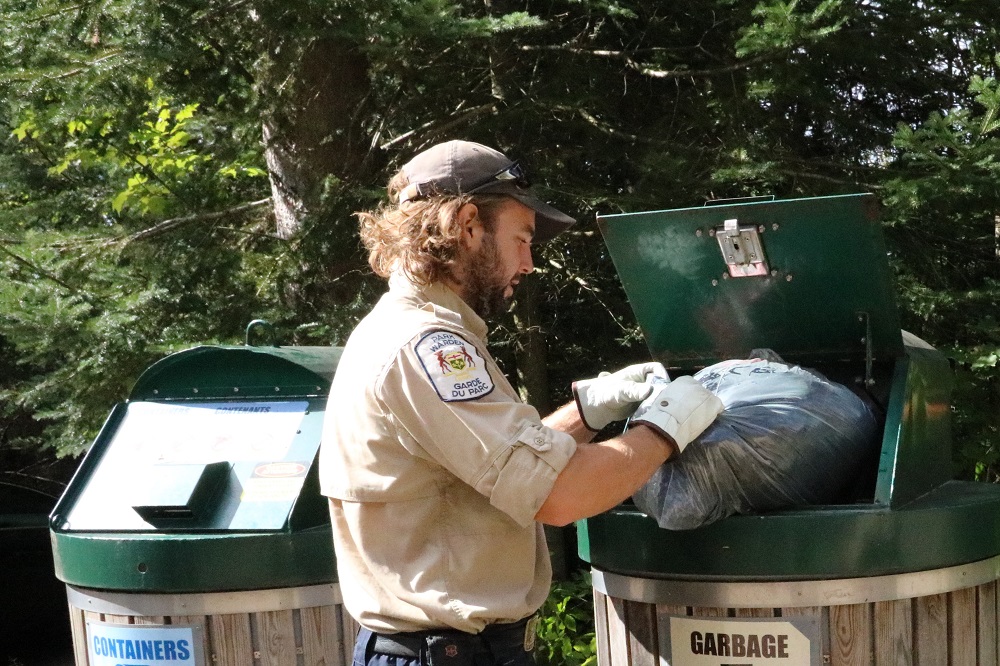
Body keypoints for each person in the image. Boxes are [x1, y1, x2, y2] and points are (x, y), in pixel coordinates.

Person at [319, 140, 722, 666]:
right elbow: (559, 496)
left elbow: (494, 467)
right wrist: (667, 427)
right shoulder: (426, 348)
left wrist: (588, 412)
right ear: (467, 225)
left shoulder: (409, 332)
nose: (530, 263)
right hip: (445, 655)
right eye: (522, 239)